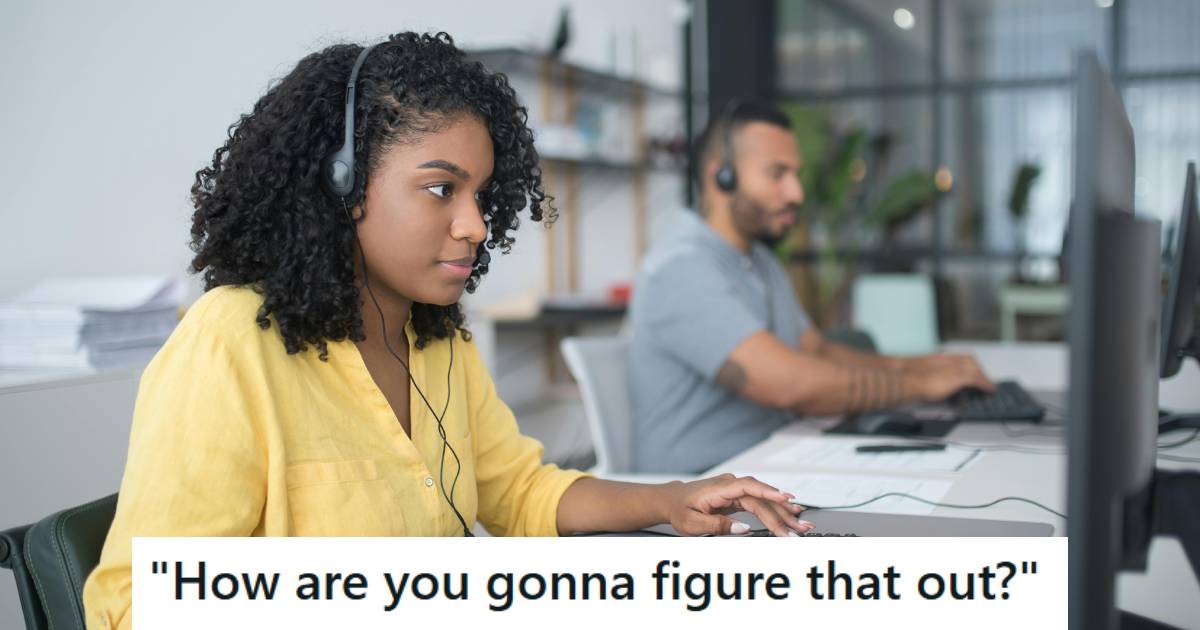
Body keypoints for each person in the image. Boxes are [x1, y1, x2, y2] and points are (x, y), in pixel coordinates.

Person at [82, 34, 811, 630]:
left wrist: (670, 500)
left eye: (479, 194)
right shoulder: (231, 343)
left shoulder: (438, 339)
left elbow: (518, 491)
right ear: (342, 183)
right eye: (440, 190)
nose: (474, 225)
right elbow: (136, 606)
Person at [628, 100, 995, 474]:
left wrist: (921, 366)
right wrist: (918, 385)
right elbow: (790, 385)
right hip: (701, 495)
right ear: (721, 176)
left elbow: (815, 349)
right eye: (777, 174)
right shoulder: (680, 268)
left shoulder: (760, 261)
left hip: (773, 463)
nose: (795, 194)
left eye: (795, 175)